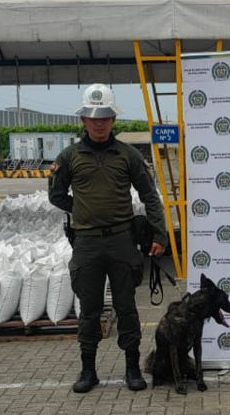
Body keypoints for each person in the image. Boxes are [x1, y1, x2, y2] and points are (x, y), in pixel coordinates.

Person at [49, 84, 168, 393]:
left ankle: (132, 368)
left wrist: (160, 234)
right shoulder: (69, 156)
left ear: (113, 119)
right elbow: (56, 195)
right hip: (87, 244)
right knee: (89, 309)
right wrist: (82, 208)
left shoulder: (128, 155)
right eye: (93, 117)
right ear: (83, 120)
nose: (99, 123)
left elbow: (150, 197)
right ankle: (88, 371)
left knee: (126, 308)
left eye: (104, 117)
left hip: (121, 242)